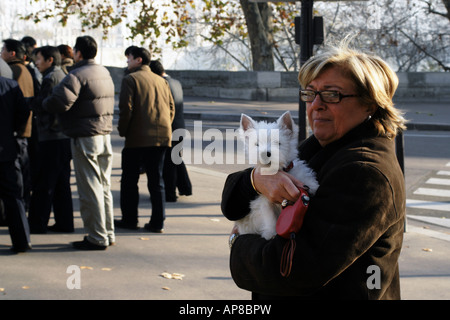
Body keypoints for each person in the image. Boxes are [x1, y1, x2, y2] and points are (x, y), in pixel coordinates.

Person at [222, 44, 406, 300]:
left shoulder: (364, 172)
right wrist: (255, 180)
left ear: (369, 104)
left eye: (332, 95)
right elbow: (233, 203)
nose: (316, 105)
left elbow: (294, 270)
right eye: (310, 94)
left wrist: (238, 244)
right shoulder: (323, 145)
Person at [43, 36, 115, 250]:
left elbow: (58, 102)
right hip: (104, 134)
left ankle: (96, 236)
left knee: (89, 188)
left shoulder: (77, 74)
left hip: (85, 136)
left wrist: (44, 103)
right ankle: (107, 232)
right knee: (103, 186)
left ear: (79, 53)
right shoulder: (104, 72)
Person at [116, 47, 174, 233]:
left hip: (137, 138)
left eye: (129, 58)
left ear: (138, 60)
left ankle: (130, 219)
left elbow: (126, 109)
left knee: (129, 180)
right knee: (156, 181)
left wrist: (123, 130)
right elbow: (171, 108)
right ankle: (158, 222)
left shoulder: (130, 79)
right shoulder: (161, 80)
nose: (127, 62)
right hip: (162, 137)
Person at [27, 46, 73, 234]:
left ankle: (37, 223)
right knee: (61, 184)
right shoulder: (60, 74)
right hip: (62, 136)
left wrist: (27, 102)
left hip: (52, 136)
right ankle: (64, 222)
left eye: (38, 59)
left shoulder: (51, 78)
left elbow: (43, 104)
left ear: (49, 60)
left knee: (44, 182)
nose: (36, 63)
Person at [149, 60, 192, 202]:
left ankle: (170, 193)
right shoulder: (175, 82)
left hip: (169, 127)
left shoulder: (162, 84)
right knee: (176, 159)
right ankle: (185, 187)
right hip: (180, 125)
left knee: (169, 163)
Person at [1, 39, 35, 212]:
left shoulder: (14, 71)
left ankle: (19, 208)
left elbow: (15, 106)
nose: (1, 53)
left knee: (16, 176)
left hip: (16, 131)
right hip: (22, 129)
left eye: (3, 50)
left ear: (12, 53)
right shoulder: (25, 70)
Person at [0, 73, 32, 252]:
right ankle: (21, 241)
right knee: (13, 197)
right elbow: (24, 111)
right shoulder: (10, 85)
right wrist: (13, 130)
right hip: (6, 148)